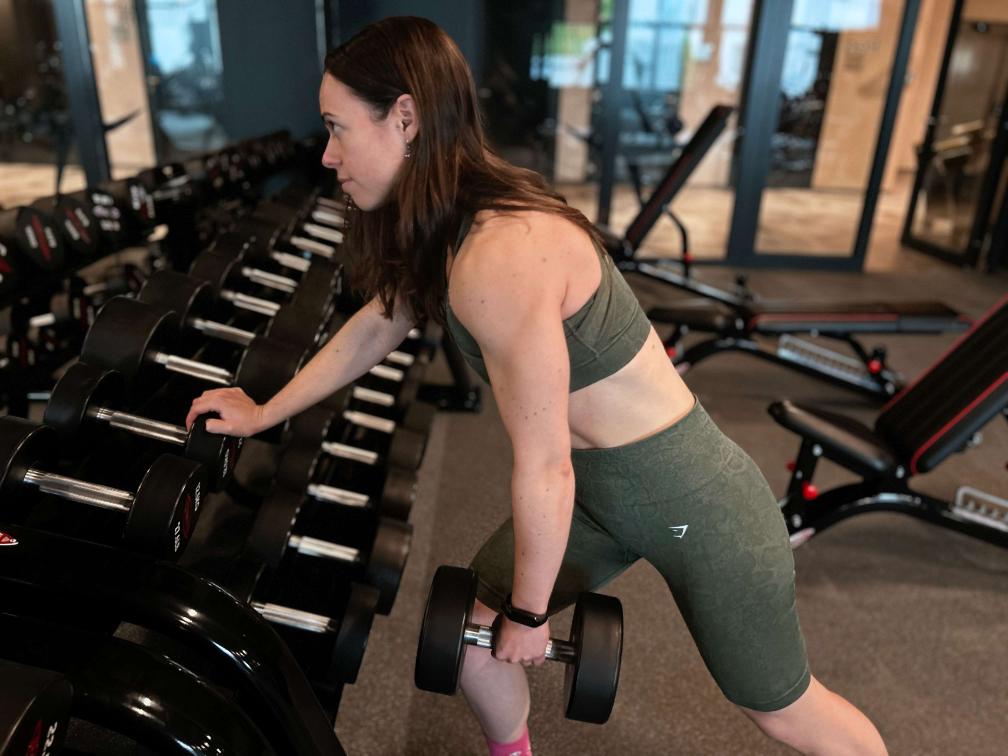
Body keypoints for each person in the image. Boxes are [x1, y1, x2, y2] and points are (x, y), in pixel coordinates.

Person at [186, 16, 887, 756]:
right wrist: (265, 411)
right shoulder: (452, 219)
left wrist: (528, 612)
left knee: (782, 709)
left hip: (692, 508)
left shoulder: (499, 253)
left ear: (405, 118)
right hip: (600, 496)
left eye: (337, 129)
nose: (327, 155)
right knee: (468, 635)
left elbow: (544, 460)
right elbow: (379, 322)